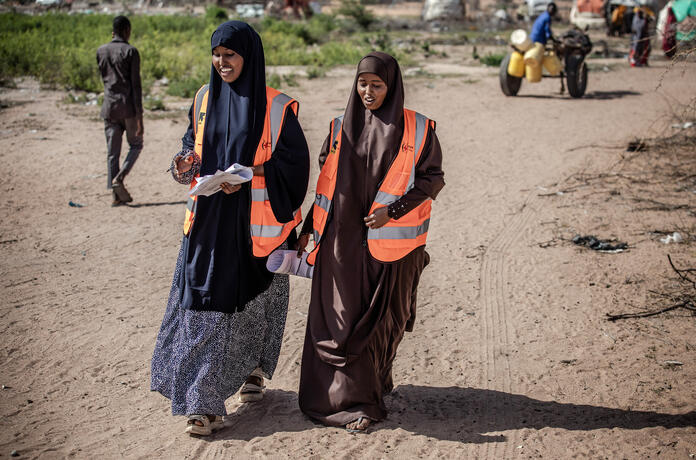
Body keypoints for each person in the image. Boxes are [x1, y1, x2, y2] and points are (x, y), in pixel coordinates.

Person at [150, 21, 309, 436]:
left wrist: (251, 173)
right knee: (207, 307)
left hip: (257, 224)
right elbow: (192, 145)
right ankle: (202, 404)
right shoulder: (203, 98)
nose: (222, 63)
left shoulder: (277, 107)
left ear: (249, 57)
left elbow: (294, 167)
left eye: (230, 55)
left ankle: (253, 370)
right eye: (216, 55)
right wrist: (185, 163)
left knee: (258, 306)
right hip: (208, 224)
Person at [296, 52, 444, 433]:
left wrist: (392, 212)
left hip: (390, 248)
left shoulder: (418, 129)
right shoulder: (337, 127)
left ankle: (374, 385)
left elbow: (432, 180)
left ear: (391, 85)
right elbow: (326, 183)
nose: (368, 91)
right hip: (340, 245)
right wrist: (309, 227)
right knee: (341, 323)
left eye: (376, 84)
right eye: (362, 83)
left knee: (380, 323)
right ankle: (351, 403)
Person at [96, 15, 144, 206]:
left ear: (113, 31)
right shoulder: (131, 51)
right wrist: (140, 117)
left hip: (109, 107)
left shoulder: (101, 51)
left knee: (112, 152)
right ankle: (119, 179)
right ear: (127, 30)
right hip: (128, 108)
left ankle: (116, 196)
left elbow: (104, 79)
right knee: (136, 144)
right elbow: (136, 86)